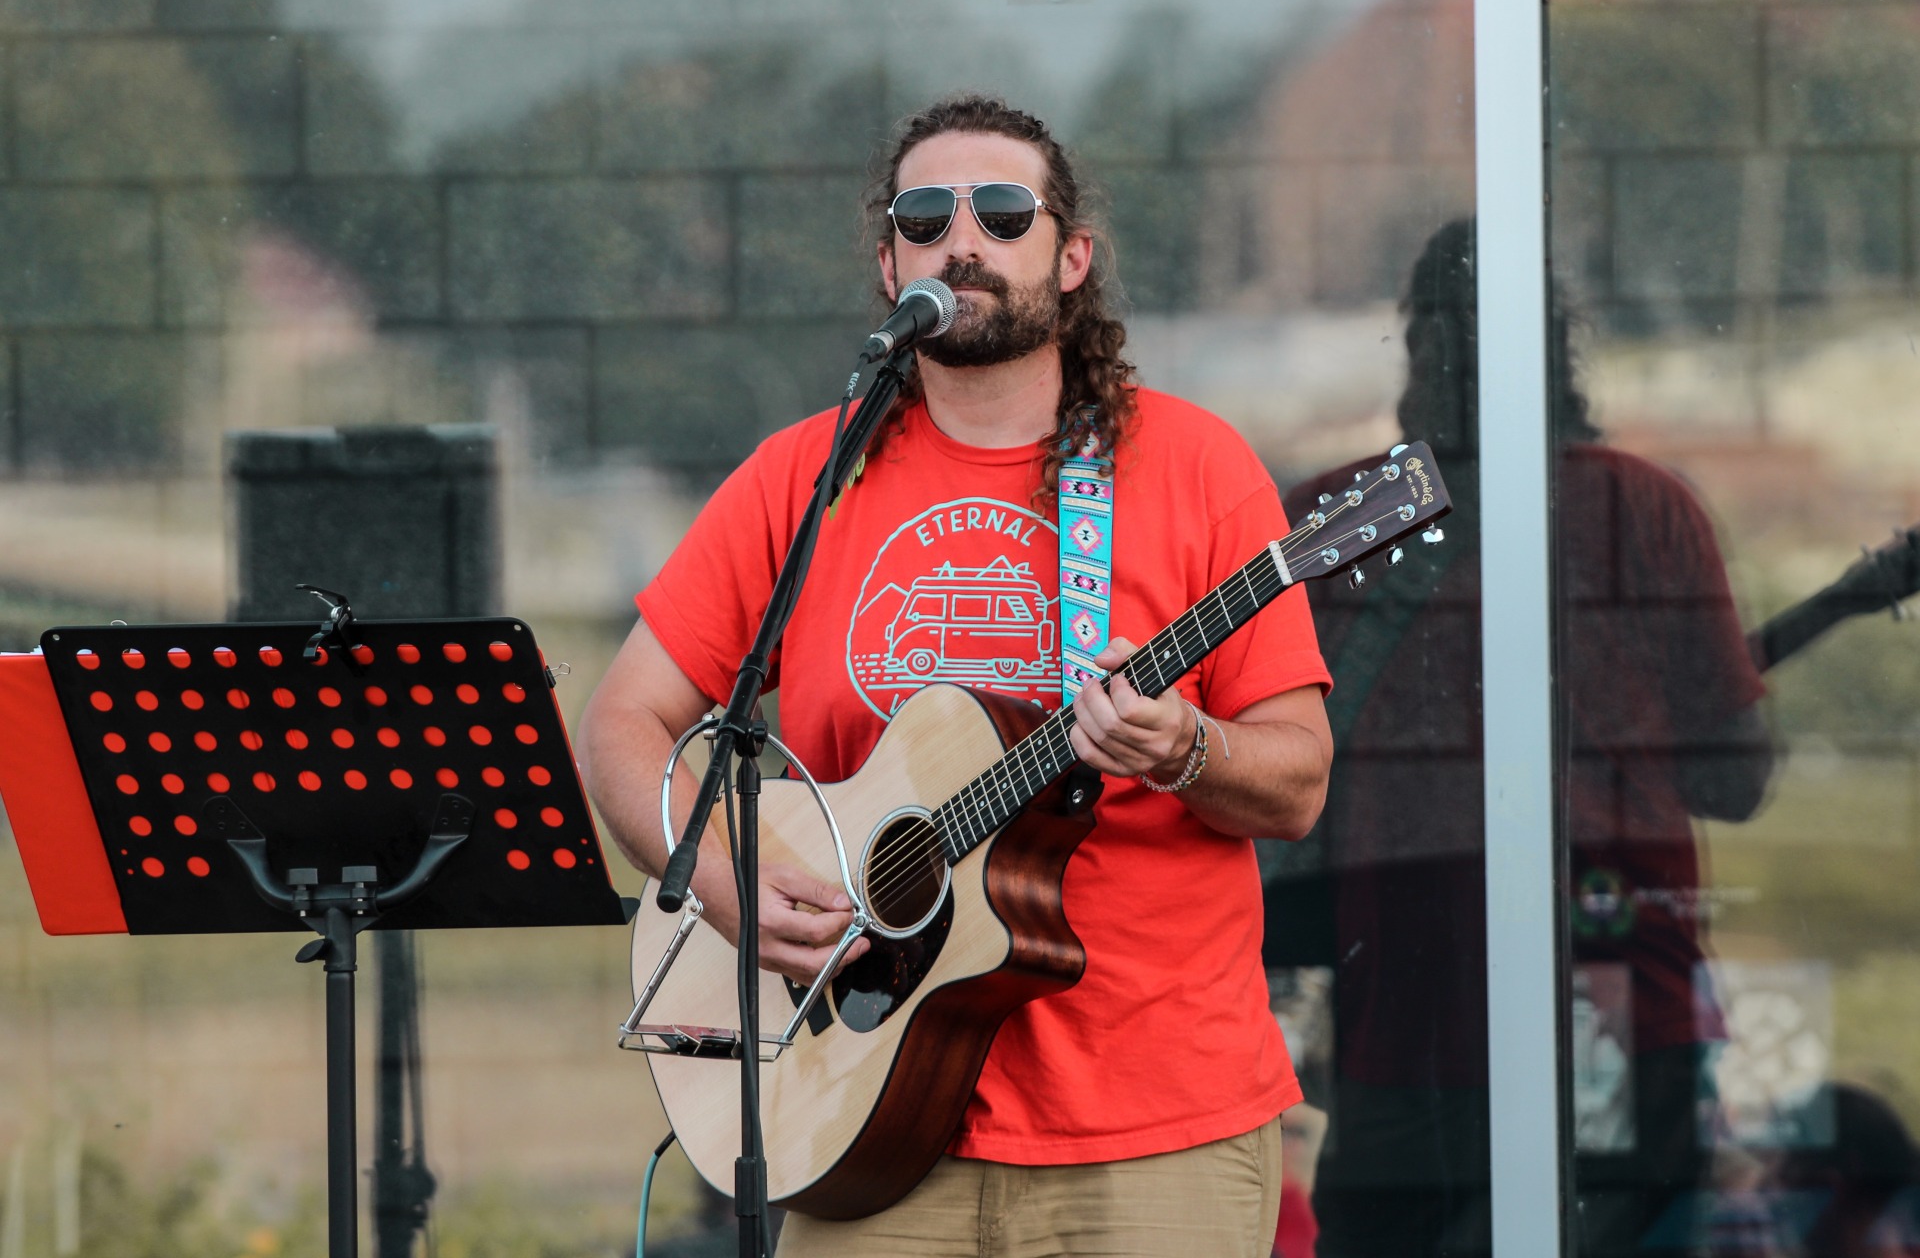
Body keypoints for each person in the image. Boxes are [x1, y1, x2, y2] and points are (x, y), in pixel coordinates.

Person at [578, 95, 1335, 1257]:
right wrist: (720, 883)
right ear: (890, 266)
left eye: (1003, 211)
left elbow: (1296, 782)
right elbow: (626, 721)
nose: (961, 241)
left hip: (1151, 1131)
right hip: (861, 1112)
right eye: (925, 217)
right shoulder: (805, 476)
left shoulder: (1196, 468)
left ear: (1071, 258)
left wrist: (1186, 747)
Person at [1273, 218, 1773, 1258]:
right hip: (1601, 1000)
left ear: (1414, 351)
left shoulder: (1340, 517)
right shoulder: (1647, 506)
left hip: (1408, 1008)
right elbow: (1736, 777)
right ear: (1557, 344)